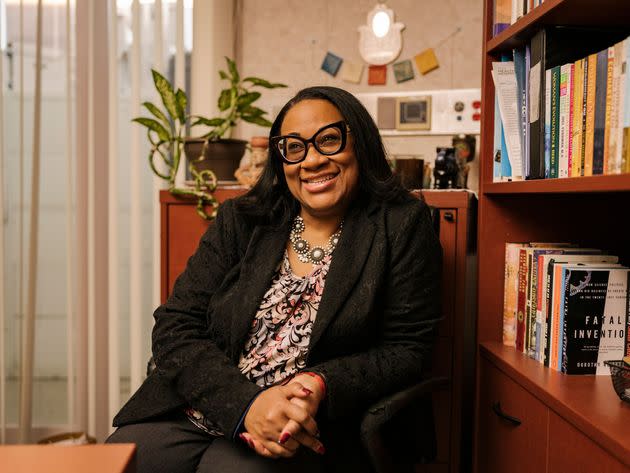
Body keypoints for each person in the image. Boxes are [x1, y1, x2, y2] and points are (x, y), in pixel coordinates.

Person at [107, 86, 442, 472]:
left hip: (299, 425)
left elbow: (407, 349)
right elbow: (175, 325)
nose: (312, 160)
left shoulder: (400, 225)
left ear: (360, 143)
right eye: (294, 147)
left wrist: (320, 383)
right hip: (202, 402)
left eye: (329, 140)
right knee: (121, 460)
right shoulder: (242, 220)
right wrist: (246, 405)